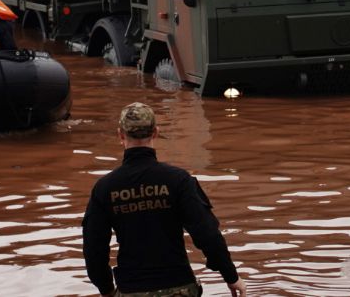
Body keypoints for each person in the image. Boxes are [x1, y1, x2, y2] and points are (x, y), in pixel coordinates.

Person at [83, 102, 246, 297]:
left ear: (120, 135)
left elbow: (94, 249)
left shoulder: (104, 188)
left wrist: (107, 289)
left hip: (131, 289)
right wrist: (231, 276)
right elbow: (207, 233)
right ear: (155, 133)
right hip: (179, 288)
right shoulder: (178, 180)